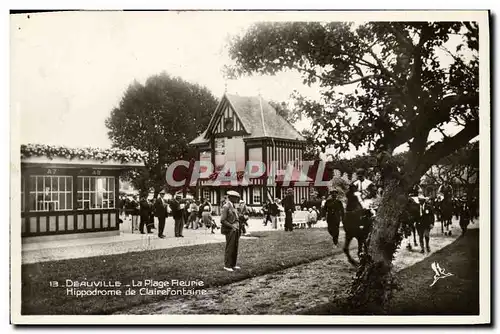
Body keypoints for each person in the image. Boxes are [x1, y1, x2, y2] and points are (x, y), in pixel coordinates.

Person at [220, 190, 242, 272]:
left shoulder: (233, 206)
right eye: (236, 198)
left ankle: (233, 264)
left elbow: (236, 218)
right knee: (230, 247)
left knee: (235, 247)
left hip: (235, 229)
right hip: (229, 230)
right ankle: (227, 265)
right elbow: (222, 220)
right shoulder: (226, 206)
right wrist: (232, 226)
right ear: (231, 198)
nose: (237, 200)